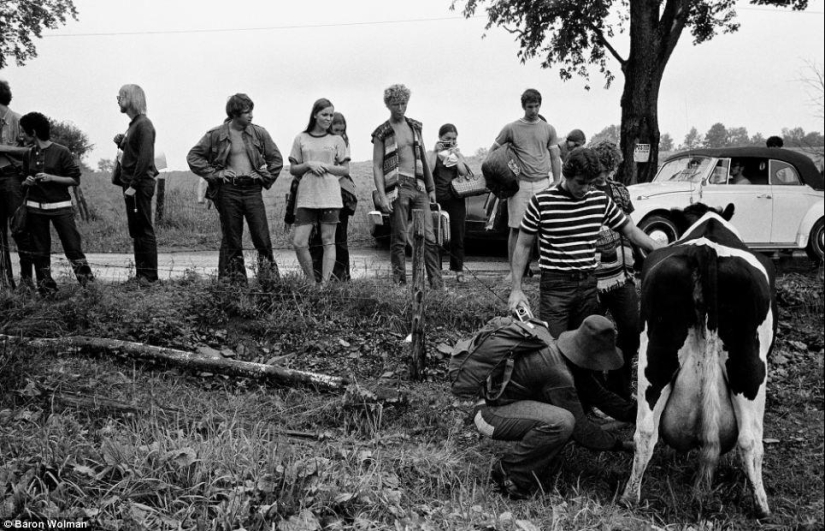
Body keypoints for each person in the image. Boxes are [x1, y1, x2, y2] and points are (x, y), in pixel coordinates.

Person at [475, 315, 636, 499]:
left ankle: (536, 459)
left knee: (562, 419)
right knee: (563, 422)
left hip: (503, 405)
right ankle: (511, 473)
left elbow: (601, 397)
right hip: (489, 414)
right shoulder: (559, 374)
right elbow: (582, 431)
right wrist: (622, 445)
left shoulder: (564, 355)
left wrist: (639, 413)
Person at [508, 147, 662, 339]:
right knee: (553, 348)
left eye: (589, 184)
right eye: (580, 183)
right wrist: (516, 289)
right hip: (556, 287)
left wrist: (658, 248)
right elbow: (523, 246)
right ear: (566, 175)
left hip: (588, 286)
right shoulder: (541, 202)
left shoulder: (600, 200)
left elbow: (630, 230)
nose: (584, 189)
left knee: (585, 349)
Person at [187, 93, 283, 285]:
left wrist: (263, 176)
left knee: (262, 238)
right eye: (247, 112)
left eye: (251, 111)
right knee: (232, 240)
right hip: (228, 191)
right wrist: (216, 174)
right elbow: (193, 157)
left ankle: (271, 284)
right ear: (235, 114)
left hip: (252, 189)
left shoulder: (259, 133)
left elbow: (276, 160)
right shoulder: (216, 135)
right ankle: (233, 286)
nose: (251, 115)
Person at [371, 84, 443, 289]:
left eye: (403, 103)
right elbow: (376, 165)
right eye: (396, 104)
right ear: (388, 105)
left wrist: (431, 188)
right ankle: (399, 284)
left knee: (429, 236)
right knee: (400, 237)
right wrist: (383, 196)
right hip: (398, 186)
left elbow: (422, 156)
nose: (400, 108)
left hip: (418, 184)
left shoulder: (415, 127)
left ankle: (437, 285)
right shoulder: (382, 132)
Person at [488, 89, 561, 281]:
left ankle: (548, 271)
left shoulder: (548, 129)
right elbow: (493, 152)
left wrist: (557, 181)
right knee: (517, 228)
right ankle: (514, 273)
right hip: (520, 185)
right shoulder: (511, 128)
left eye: (537, 106)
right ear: (523, 106)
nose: (534, 110)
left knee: (545, 229)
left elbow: (555, 156)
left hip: (543, 183)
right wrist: (500, 174)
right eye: (530, 107)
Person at [18, 112, 93, 294]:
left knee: (73, 248)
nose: (21, 136)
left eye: (23, 132)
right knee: (40, 252)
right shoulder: (28, 155)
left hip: (61, 209)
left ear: (33, 132)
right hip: (35, 210)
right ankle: (46, 290)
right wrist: (26, 182)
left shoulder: (62, 152)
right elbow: (21, 179)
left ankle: (89, 287)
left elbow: (74, 180)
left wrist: (51, 177)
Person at [591, 141, 639, 400]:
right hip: (594, 277)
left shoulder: (620, 190)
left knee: (631, 330)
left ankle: (619, 387)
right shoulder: (583, 191)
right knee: (595, 335)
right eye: (601, 168)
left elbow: (630, 224)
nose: (605, 174)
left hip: (624, 274)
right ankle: (598, 393)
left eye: (610, 168)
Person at [288, 99, 350, 285]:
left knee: (328, 240)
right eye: (324, 114)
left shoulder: (337, 140)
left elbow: (345, 169)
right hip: (307, 196)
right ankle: (311, 282)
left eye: (331, 115)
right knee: (299, 242)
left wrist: (325, 166)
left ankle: (324, 286)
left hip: (330, 195)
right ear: (315, 114)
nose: (328, 118)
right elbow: (293, 169)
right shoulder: (301, 138)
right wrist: (308, 164)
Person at [113, 84, 159, 284]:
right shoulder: (134, 125)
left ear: (131, 98)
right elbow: (133, 152)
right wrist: (122, 142)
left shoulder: (144, 124)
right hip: (132, 184)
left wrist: (133, 185)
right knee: (137, 229)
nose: (117, 99)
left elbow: (145, 157)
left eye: (121, 96)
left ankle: (149, 276)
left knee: (144, 229)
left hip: (138, 185)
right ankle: (141, 274)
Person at [306, 112, 355, 282]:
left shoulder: (343, 143)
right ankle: (319, 274)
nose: (340, 133)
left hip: (339, 194)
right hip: (318, 193)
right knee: (317, 236)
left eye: (342, 130)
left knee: (339, 238)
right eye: (337, 130)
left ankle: (342, 277)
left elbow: (342, 170)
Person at [0, 79, 34, 288]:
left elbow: (31, 151)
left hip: (11, 177)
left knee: (20, 229)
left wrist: (3, 148)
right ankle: (5, 283)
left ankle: (27, 281)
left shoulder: (19, 122)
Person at [431, 123, 471, 282]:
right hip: (439, 199)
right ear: (440, 138)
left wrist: (457, 157)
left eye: (454, 139)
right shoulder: (433, 153)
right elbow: (429, 169)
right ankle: (436, 271)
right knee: (437, 236)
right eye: (448, 139)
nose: (451, 142)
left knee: (458, 235)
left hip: (456, 198)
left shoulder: (457, 154)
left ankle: (458, 271)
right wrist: (435, 151)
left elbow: (464, 172)